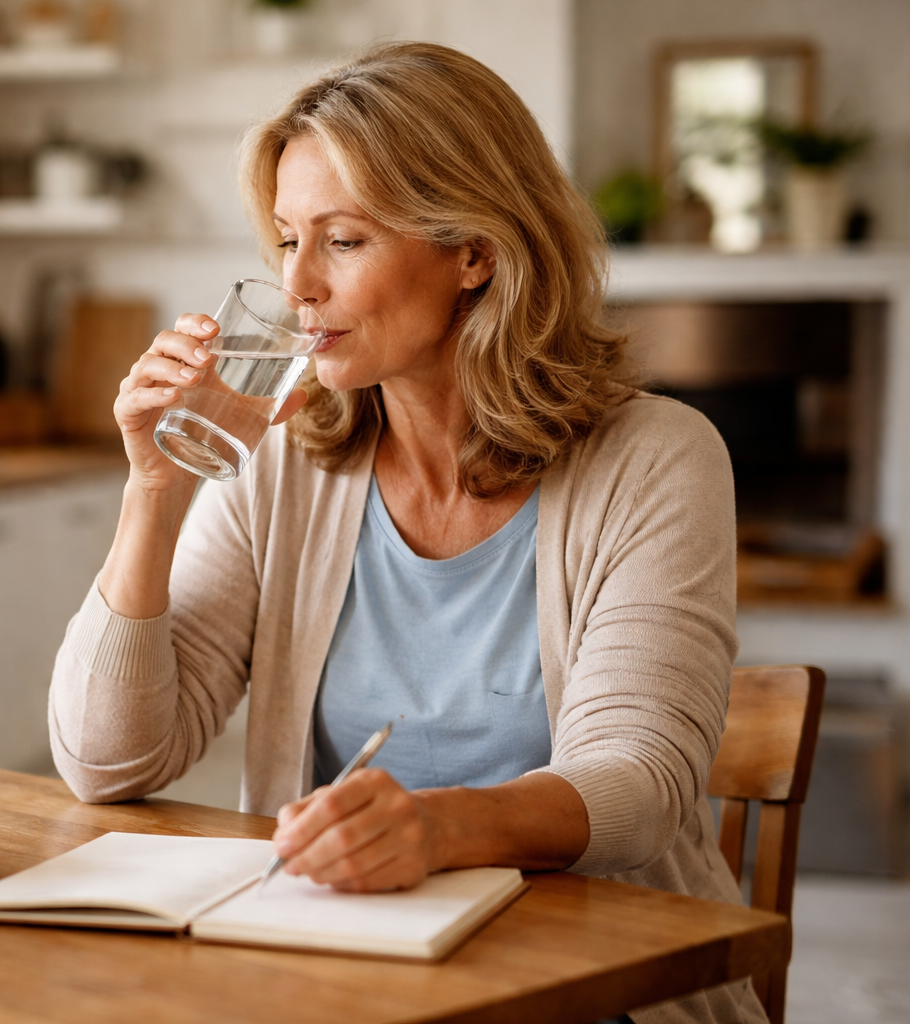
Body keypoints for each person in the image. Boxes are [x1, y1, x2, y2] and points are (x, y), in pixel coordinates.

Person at [47, 42, 763, 1024]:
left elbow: (639, 789)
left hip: (599, 989)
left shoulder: (658, 459)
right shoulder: (284, 460)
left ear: (474, 251)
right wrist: (154, 491)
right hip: (340, 979)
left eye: (342, 241)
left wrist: (436, 826)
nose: (298, 285)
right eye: (288, 239)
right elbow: (107, 761)